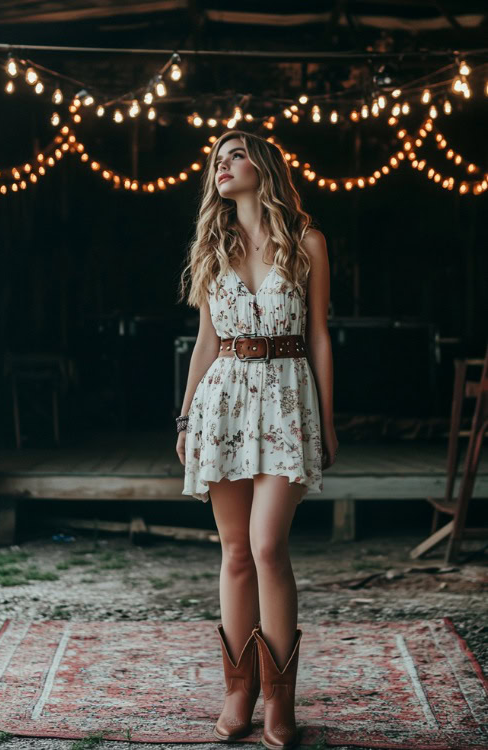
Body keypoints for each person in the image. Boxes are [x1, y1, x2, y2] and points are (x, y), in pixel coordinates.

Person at [176, 129, 338, 749]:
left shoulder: (308, 243)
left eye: (234, 155)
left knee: (269, 547)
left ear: (263, 165)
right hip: (222, 402)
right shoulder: (213, 250)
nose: (222, 167)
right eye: (217, 160)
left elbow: (320, 335)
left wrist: (326, 419)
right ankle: (237, 691)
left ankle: (279, 698)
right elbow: (206, 343)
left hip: (286, 399)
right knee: (236, 552)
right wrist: (187, 418)